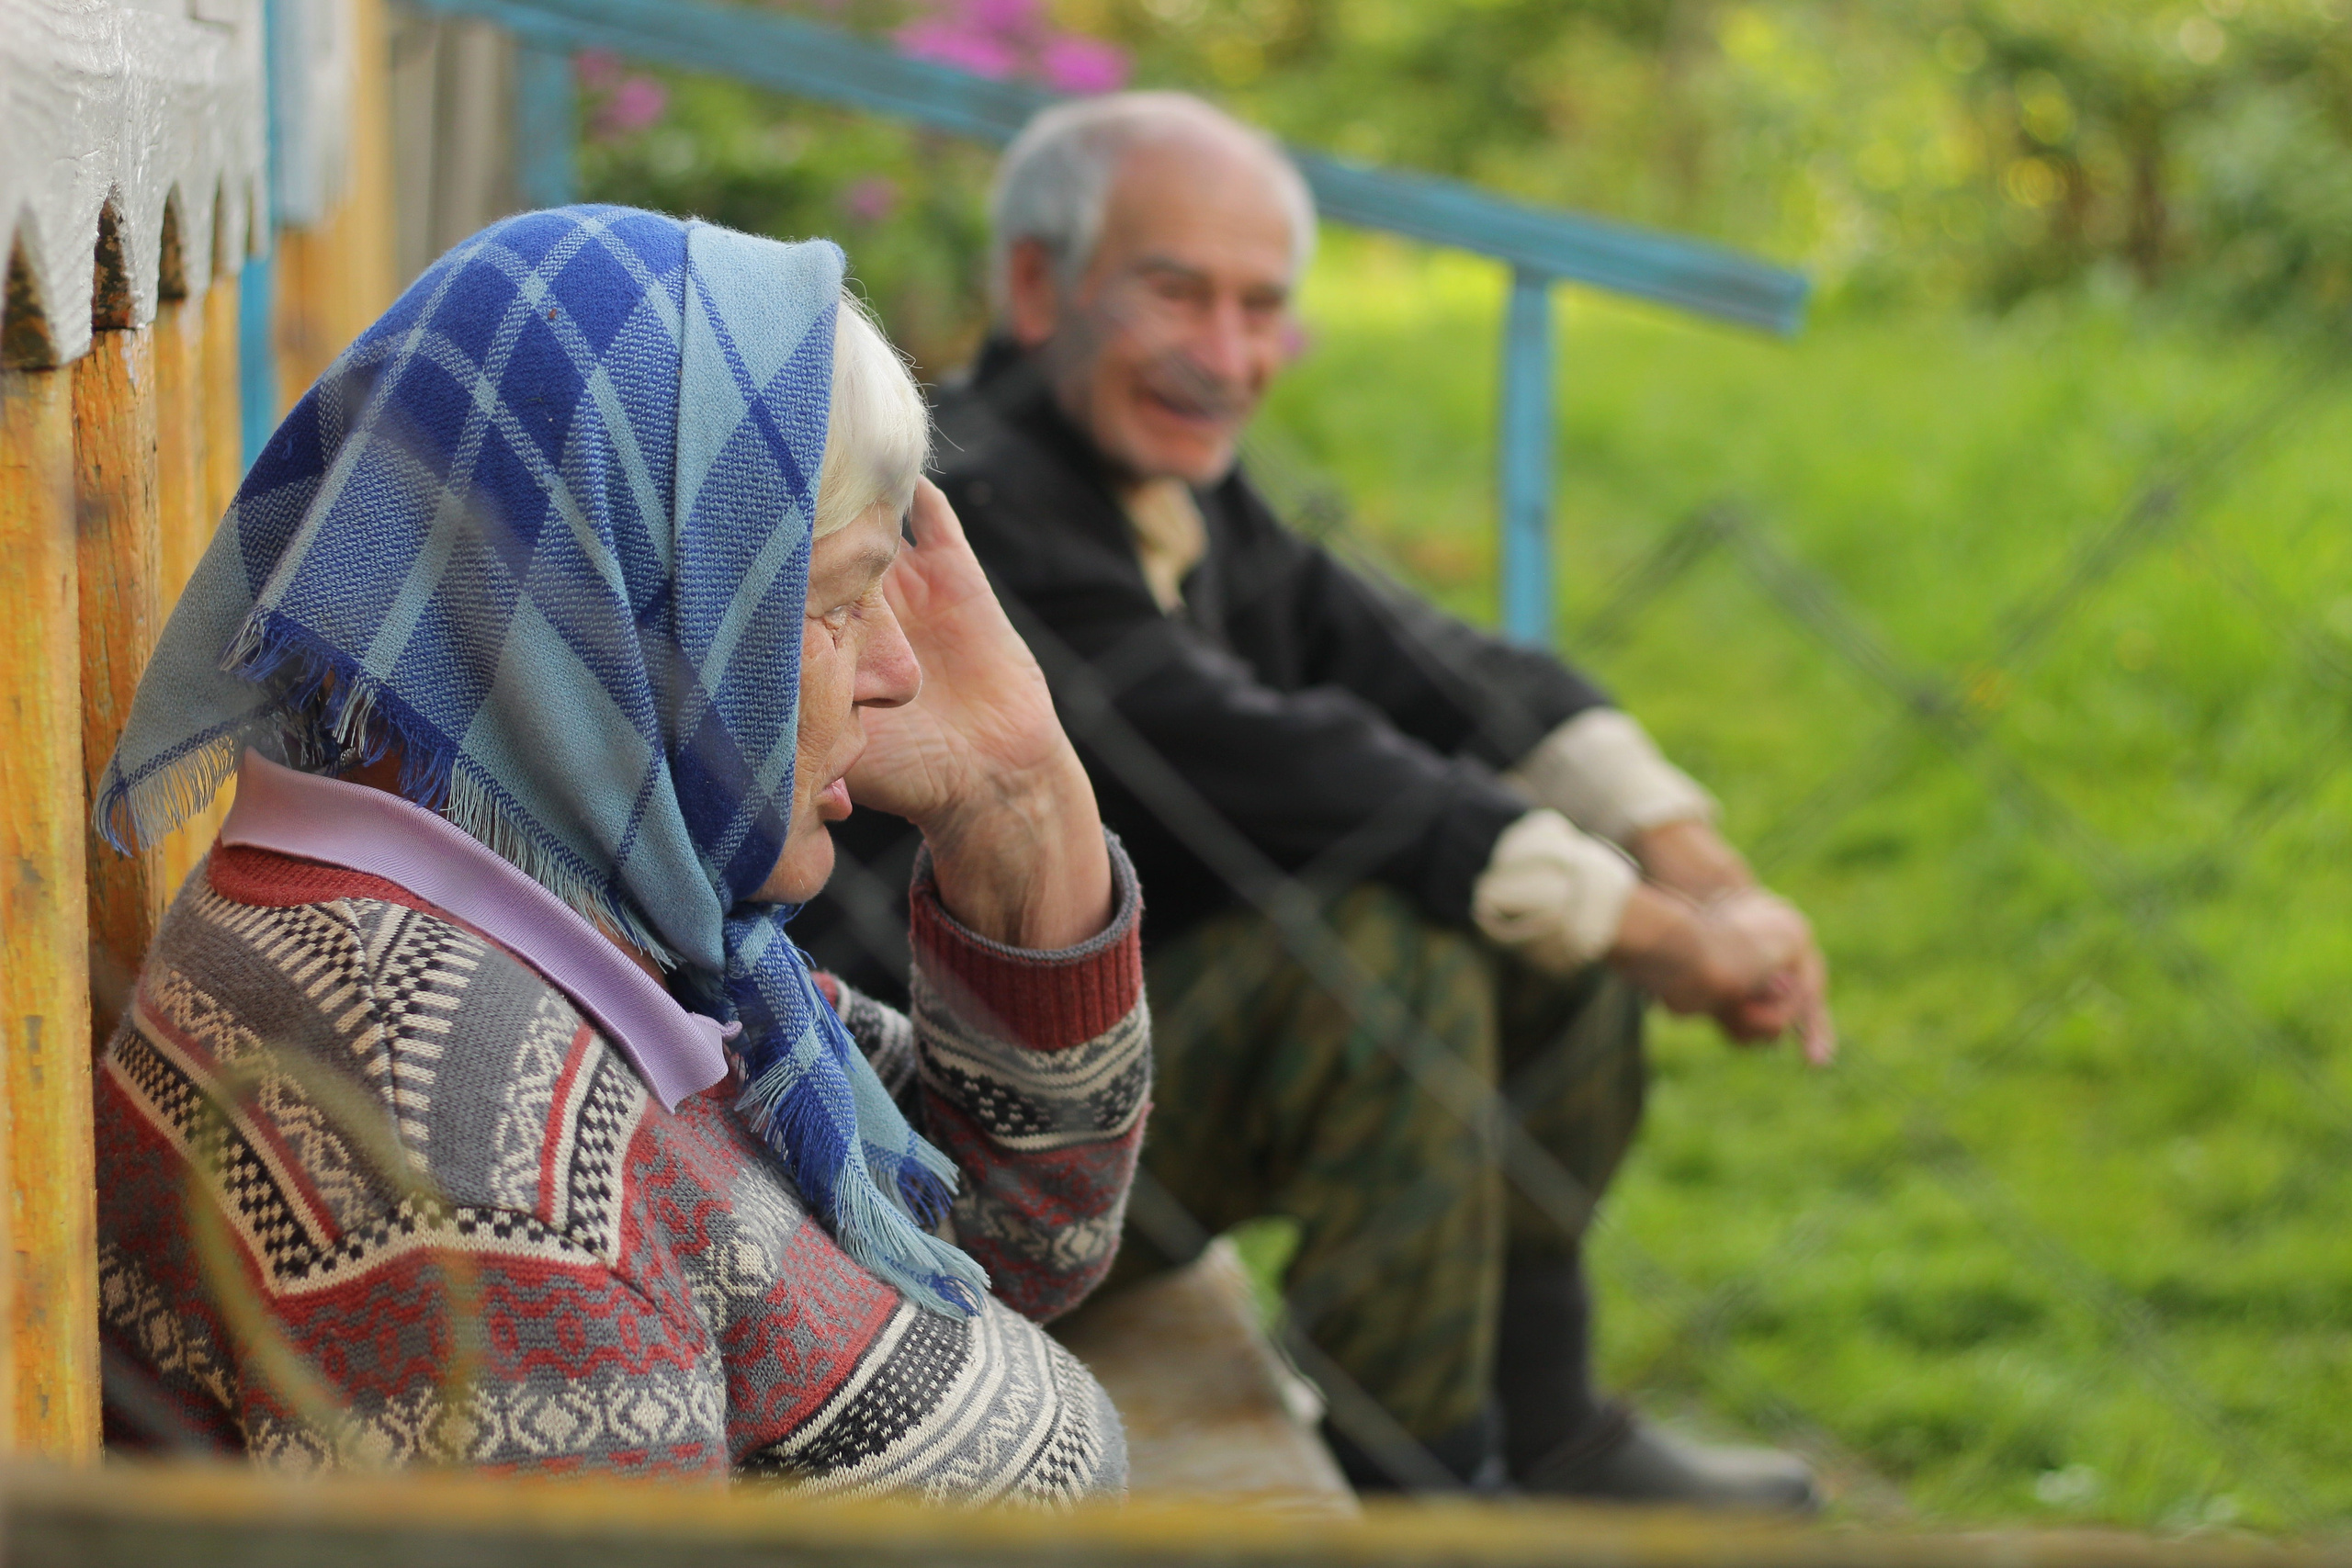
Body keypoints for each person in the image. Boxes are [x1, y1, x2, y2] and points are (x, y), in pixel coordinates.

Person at [802, 94, 1832, 1508]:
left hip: (1101, 1118)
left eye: (1263, 309)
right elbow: (1279, 762)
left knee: (1534, 924)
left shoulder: (1180, 497)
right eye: (1178, 295)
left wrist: (1683, 857)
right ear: (1036, 287)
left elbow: (1439, 669)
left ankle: (1551, 1431)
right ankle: (1418, 1489)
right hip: (940, 1159)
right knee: (1384, 952)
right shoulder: (968, 507)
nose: (1230, 358)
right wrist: (1649, 928)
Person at [91, 206, 1148, 1502]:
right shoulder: (458, 1128)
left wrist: (1014, 804)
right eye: (836, 603)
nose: (898, 671)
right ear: (632, 613)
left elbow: (1014, 1237)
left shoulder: (585, 928)